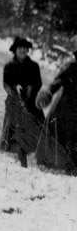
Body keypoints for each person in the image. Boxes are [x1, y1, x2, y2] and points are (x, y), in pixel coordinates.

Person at [0, 37, 44, 167]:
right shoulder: (9, 66)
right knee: (17, 134)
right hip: (15, 104)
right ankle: (22, 158)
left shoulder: (34, 66)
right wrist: (14, 87)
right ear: (15, 50)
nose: (22, 51)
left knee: (36, 132)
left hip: (31, 103)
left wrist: (32, 86)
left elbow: (39, 82)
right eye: (20, 49)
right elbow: (5, 84)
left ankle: (37, 157)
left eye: (25, 49)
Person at [36, 35, 77, 175]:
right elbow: (56, 82)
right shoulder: (71, 67)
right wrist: (46, 94)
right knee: (63, 139)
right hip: (66, 109)